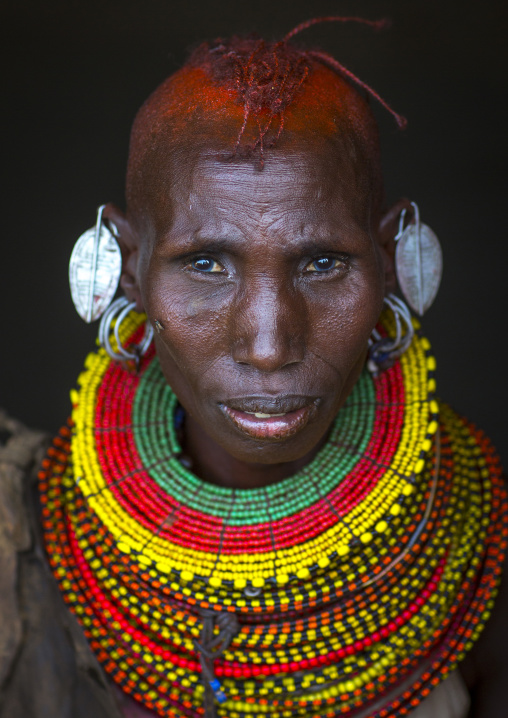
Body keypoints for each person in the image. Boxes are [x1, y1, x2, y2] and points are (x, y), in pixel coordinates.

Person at [0, 16, 506, 718]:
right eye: (205, 263)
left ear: (390, 261)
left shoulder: (482, 545)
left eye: (322, 263)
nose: (269, 346)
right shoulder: (19, 542)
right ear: (126, 269)